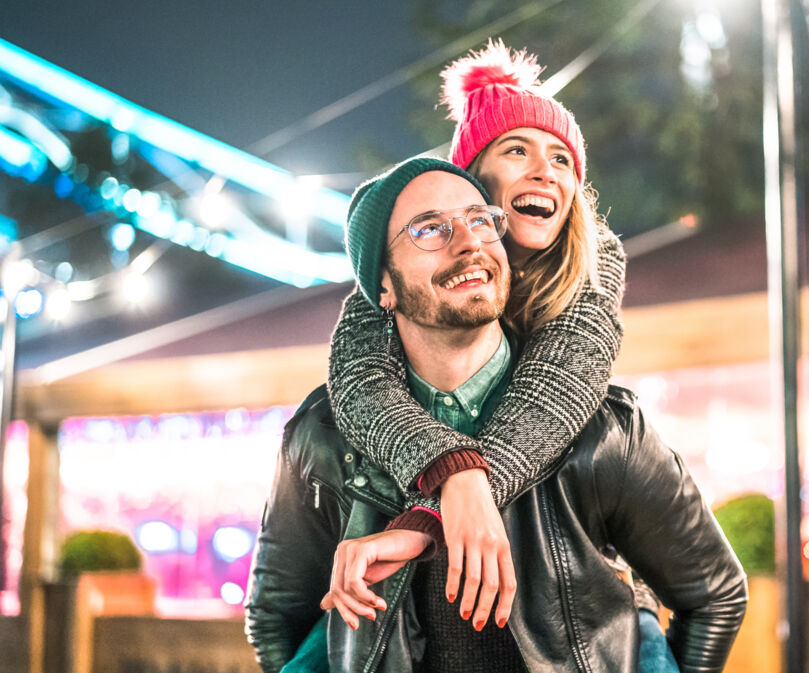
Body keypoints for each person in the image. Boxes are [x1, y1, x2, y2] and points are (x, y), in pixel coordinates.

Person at [244, 158, 748, 672]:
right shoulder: (323, 436)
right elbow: (276, 619)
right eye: (430, 228)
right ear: (383, 287)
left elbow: (715, 596)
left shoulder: (604, 430)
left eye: (480, 219)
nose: (469, 242)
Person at [327, 41, 632, 635]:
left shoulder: (594, 263)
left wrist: (443, 497)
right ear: (471, 178)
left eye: (562, 159)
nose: (545, 171)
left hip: (587, 610)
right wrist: (451, 470)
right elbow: (359, 377)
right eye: (517, 150)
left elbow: (557, 390)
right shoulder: (408, 265)